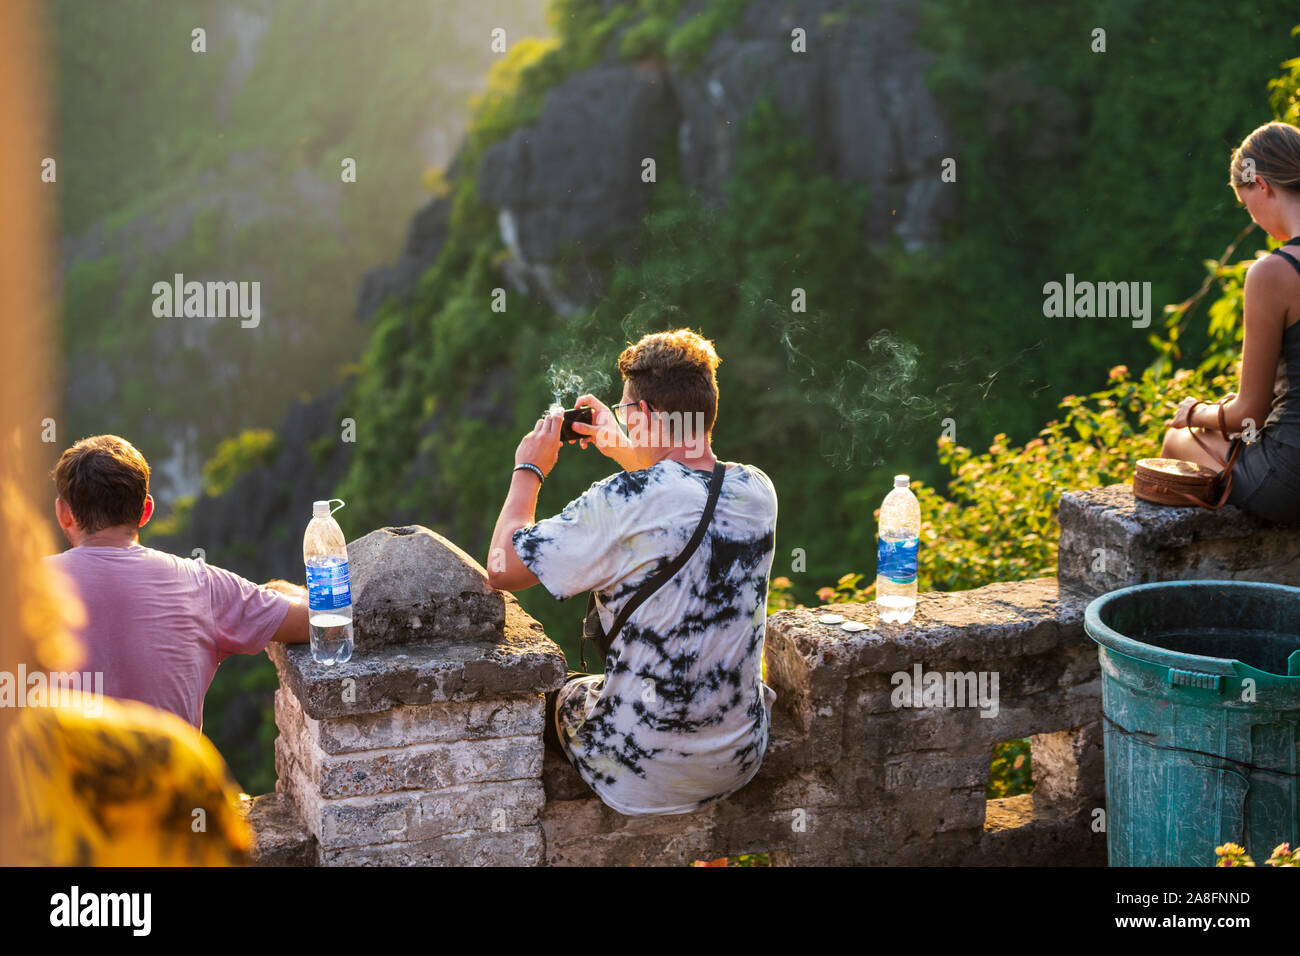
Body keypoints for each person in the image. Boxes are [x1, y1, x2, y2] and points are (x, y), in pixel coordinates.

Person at [486, 329, 779, 816]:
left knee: (558, 694)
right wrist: (620, 443)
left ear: (642, 416)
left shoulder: (617, 504)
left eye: (626, 412)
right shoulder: (758, 492)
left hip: (641, 774)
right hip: (740, 756)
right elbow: (678, 487)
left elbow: (503, 568)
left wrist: (529, 469)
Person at [44, 435, 310, 732]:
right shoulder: (202, 585)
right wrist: (277, 594)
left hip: (52, 778)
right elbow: (324, 622)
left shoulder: (22, 588)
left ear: (63, 513)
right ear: (146, 511)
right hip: (171, 774)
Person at [1161, 120, 1300, 524]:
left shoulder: (1274, 273)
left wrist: (1195, 411)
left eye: (1246, 204)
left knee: (1177, 440)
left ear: (1261, 184)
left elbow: (1248, 415)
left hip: (1290, 477)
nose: (1254, 218)